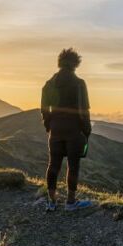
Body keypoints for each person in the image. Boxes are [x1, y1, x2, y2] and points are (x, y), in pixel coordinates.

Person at [40, 48, 94, 212]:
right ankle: (71, 202)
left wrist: (49, 126)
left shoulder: (49, 84)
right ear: (76, 63)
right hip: (74, 130)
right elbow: (84, 110)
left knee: (53, 164)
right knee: (73, 165)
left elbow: (44, 109)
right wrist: (86, 131)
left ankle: (52, 202)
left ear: (60, 62)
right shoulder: (79, 83)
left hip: (55, 130)